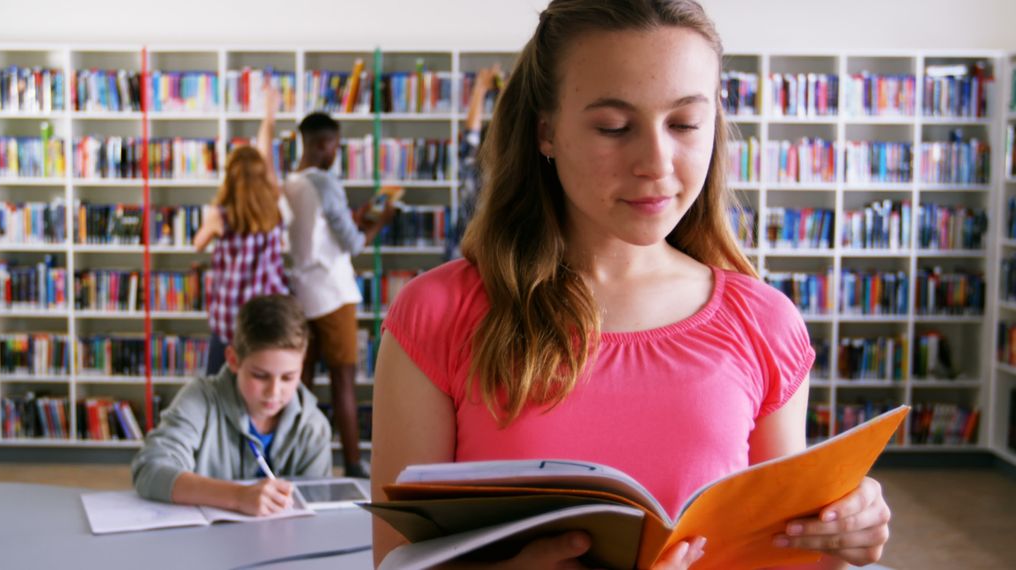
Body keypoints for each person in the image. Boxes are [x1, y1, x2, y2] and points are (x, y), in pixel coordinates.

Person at [371, 1, 892, 568]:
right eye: (614, 127)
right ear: (546, 130)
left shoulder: (765, 324)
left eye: (686, 124)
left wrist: (835, 542)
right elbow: (395, 560)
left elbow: (777, 551)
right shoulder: (437, 314)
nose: (655, 162)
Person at [131, 294, 332, 516]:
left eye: (288, 377)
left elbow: (317, 510)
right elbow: (149, 470)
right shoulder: (199, 400)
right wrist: (237, 497)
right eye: (260, 375)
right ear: (233, 360)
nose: (274, 392)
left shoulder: (314, 427)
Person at [282, 112, 394, 479]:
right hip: (332, 293)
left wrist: (354, 218)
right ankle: (352, 463)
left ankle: (294, 461)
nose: (336, 152)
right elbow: (354, 243)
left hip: (301, 293)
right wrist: (381, 219)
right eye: (334, 145)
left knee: (300, 383)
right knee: (344, 382)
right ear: (320, 144)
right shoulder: (325, 183)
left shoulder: (289, 183)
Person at [194, 86, 289, 376]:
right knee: (260, 388)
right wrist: (268, 118)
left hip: (229, 320)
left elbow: (198, 244)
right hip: (267, 318)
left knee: (217, 387)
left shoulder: (219, 215)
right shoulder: (273, 205)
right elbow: (266, 153)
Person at [447, 63, 502, 260]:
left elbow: (471, 134)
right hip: (475, 255)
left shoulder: (473, 167)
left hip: (467, 254)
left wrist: (480, 88)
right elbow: (472, 133)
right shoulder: (479, 171)